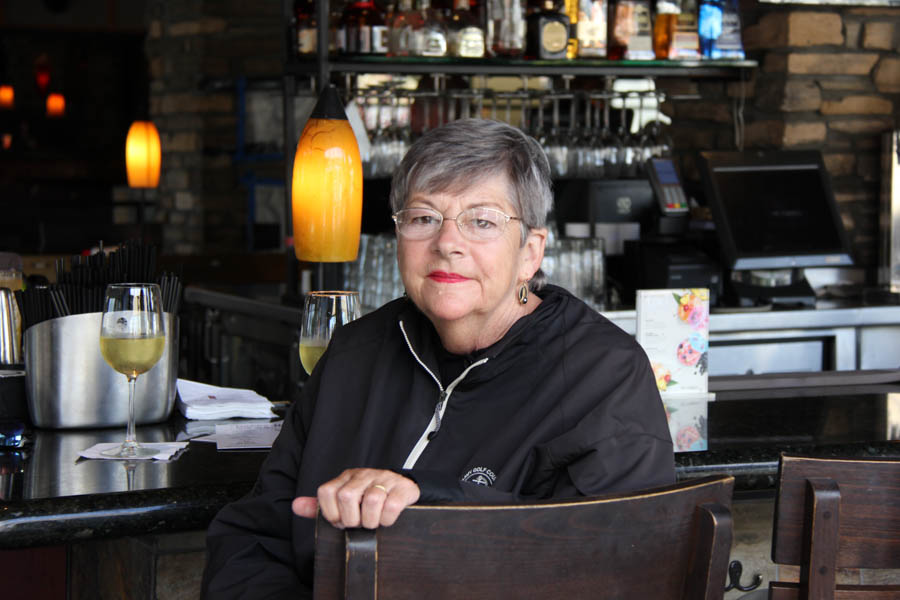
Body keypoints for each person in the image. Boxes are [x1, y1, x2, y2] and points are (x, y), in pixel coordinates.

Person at [202, 118, 674, 599]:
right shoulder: (354, 353)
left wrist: (431, 499)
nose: (447, 243)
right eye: (424, 218)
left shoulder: (604, 376)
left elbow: (609, 567)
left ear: (530, 252)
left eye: (482, 221)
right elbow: (256, 537)